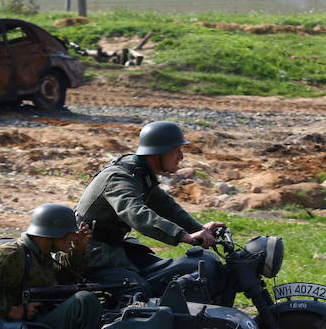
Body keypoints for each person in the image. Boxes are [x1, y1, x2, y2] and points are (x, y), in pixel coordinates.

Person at [75, 120, 225, 289]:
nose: (181, 156)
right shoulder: (120, 178)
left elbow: (168, 208)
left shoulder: (141, 173)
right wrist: (184, 236)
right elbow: (136, 213)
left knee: (167, 273)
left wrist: (201, 231)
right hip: (88, 253)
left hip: (111, 247)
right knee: (142, 289)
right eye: (176, 150)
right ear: (157, 153)